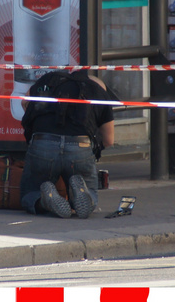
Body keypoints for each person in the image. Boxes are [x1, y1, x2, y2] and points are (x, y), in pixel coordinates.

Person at [20, 69, 116, 220]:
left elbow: (24, 101)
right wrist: (93, 149)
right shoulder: (98, 92)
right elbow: (109, 140)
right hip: (80, 146)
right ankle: (80, 196)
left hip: (43, 143)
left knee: (30, 192)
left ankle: (44, 200)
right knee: (89, 190)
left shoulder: (48, 80)